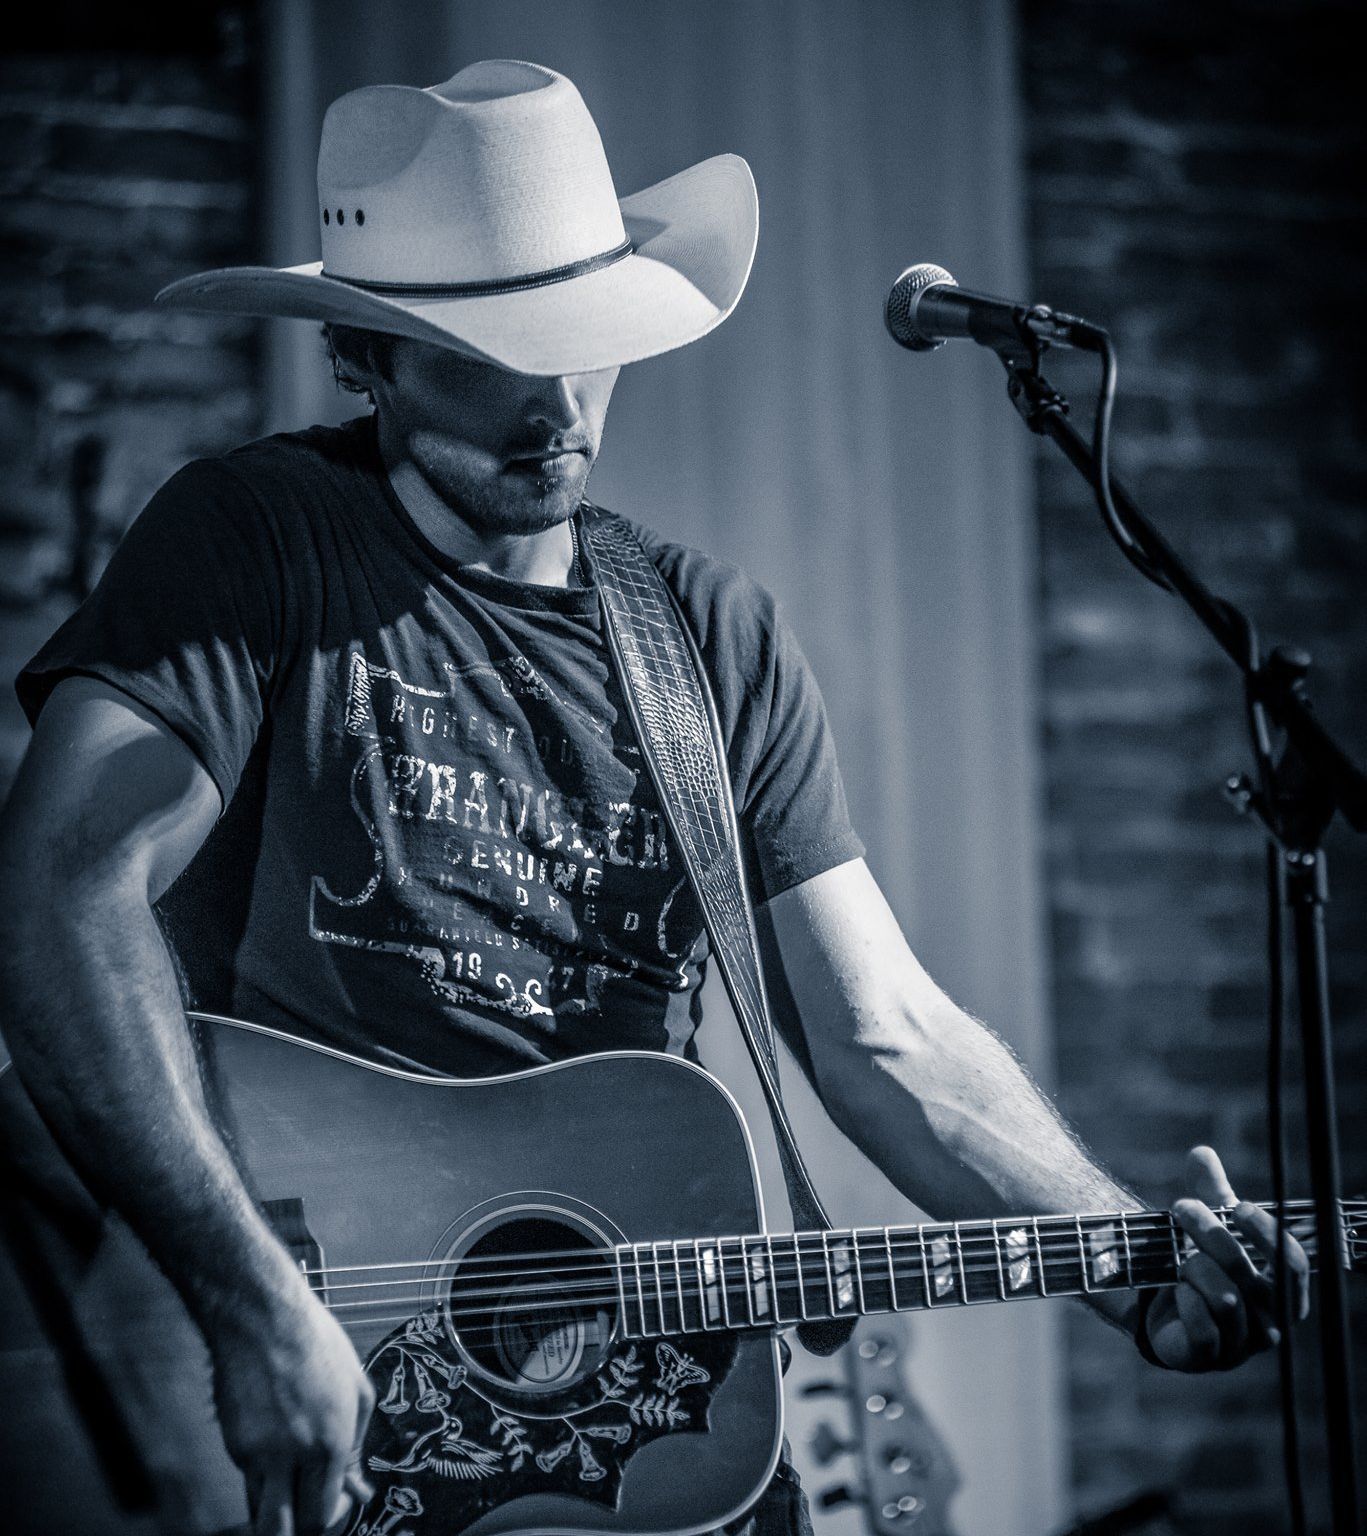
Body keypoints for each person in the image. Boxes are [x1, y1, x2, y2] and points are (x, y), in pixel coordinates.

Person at [0, 59, 1307, 1536]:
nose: (560, 399)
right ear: (367, 357)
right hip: (293, 1375)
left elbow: (887, 1035)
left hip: (625, 1425)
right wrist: (244, 1303)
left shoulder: (708, 638)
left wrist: (1128, 1256)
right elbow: (58, 890)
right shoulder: (253, 540)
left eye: (588, 337)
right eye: (499, 348)